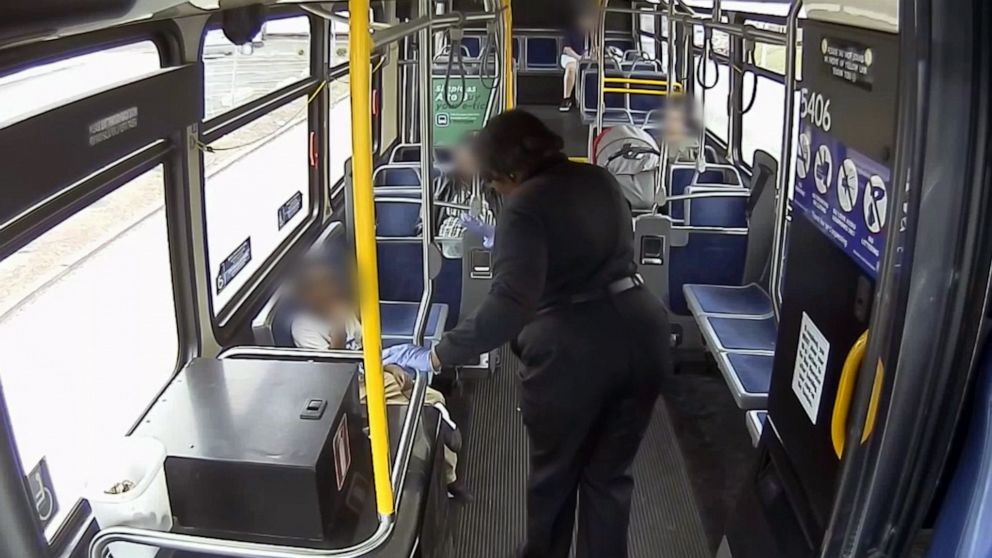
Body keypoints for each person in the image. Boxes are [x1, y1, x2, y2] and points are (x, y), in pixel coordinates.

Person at [383, 110, 671, 558]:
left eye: (496, 183)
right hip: (643, 332)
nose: (496, 191)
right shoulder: (598, 179)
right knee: (609, 479)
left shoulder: (524, 206)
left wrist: (438, 355)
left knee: (554, 480)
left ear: (513, 171)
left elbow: (508, 308)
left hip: (573, 354)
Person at [288, 256, 463, 492]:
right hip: (348, 392)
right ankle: (447, 480)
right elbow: (334, 370)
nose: (330, 291)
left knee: (433, 397)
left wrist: (389, 366)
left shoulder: (341, 310)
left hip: (369, 375)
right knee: (416, 414)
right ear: (306, 296)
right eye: (322, 287)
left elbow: (364, 350)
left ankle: (444, 437)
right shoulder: (303, 327)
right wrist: (337, 328)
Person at [559, 9, 598, 112]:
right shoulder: (571, 31)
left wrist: (593, 36)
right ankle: (566, 98)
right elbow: (566, 49)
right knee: (571, 68)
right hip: (571, 56)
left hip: (585, 58)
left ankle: (593, 101)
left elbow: (595, 49)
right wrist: (579, 58)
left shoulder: (592, 33)